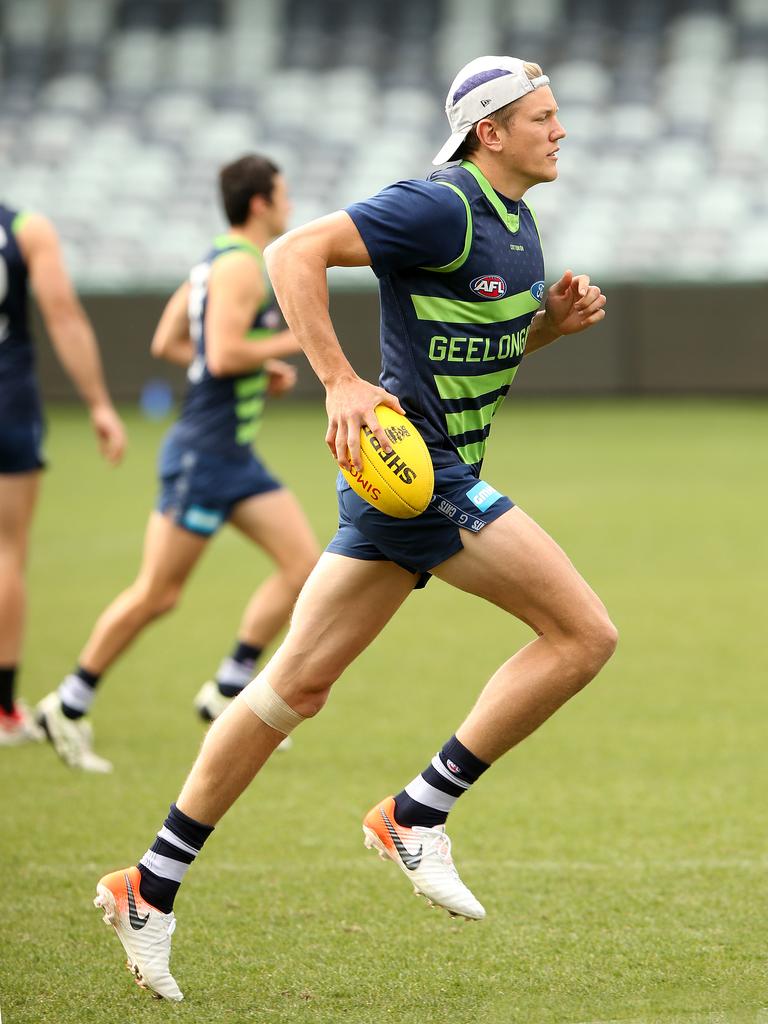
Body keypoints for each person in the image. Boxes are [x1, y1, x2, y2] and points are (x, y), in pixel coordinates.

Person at [93, 56, 617, 1001]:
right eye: (543, 117)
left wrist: (547, 328)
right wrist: (337, 378)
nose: (560, 130)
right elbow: (290, 252)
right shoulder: (440, 204)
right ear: (489, 131)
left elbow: (482, 344)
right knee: (584, 633)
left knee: (291, 688)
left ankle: (149, 884)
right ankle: (417, 813)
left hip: (405, 481)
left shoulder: (520, 226)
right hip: (422, 479)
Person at [36, 154, 319, 773]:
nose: (291, 205)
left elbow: (169, 343)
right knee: (158, 594)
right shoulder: (242, 266)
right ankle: (69, 702)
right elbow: (219, 353)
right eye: (284, 195)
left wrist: (255, 365)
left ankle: (226, 688)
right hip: (203, 454)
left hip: (233, 455)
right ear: (259, 204)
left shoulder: (213, 259)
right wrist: (291, 340)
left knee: (305, 569)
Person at [0, 205, 126, 747]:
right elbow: (63, 315)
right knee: (7, 550)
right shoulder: (25, 227)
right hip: (8, 398)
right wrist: (99, 403)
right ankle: (4, 712)